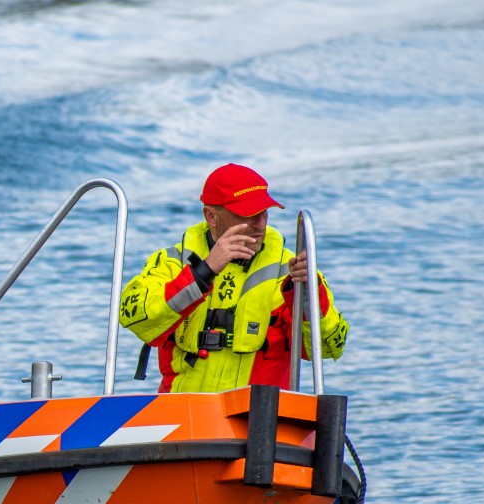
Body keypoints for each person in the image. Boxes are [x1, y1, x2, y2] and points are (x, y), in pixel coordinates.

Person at [119, 163, 350, 393]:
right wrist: (204, 272)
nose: (259, 224)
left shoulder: (292, 271)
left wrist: (308, 295)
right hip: (184, 413)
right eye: (248, 214)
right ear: (211, 216)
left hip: (260, 420)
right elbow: (138, 321)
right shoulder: (171, 262)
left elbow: (328, 348)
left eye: (264, 212)